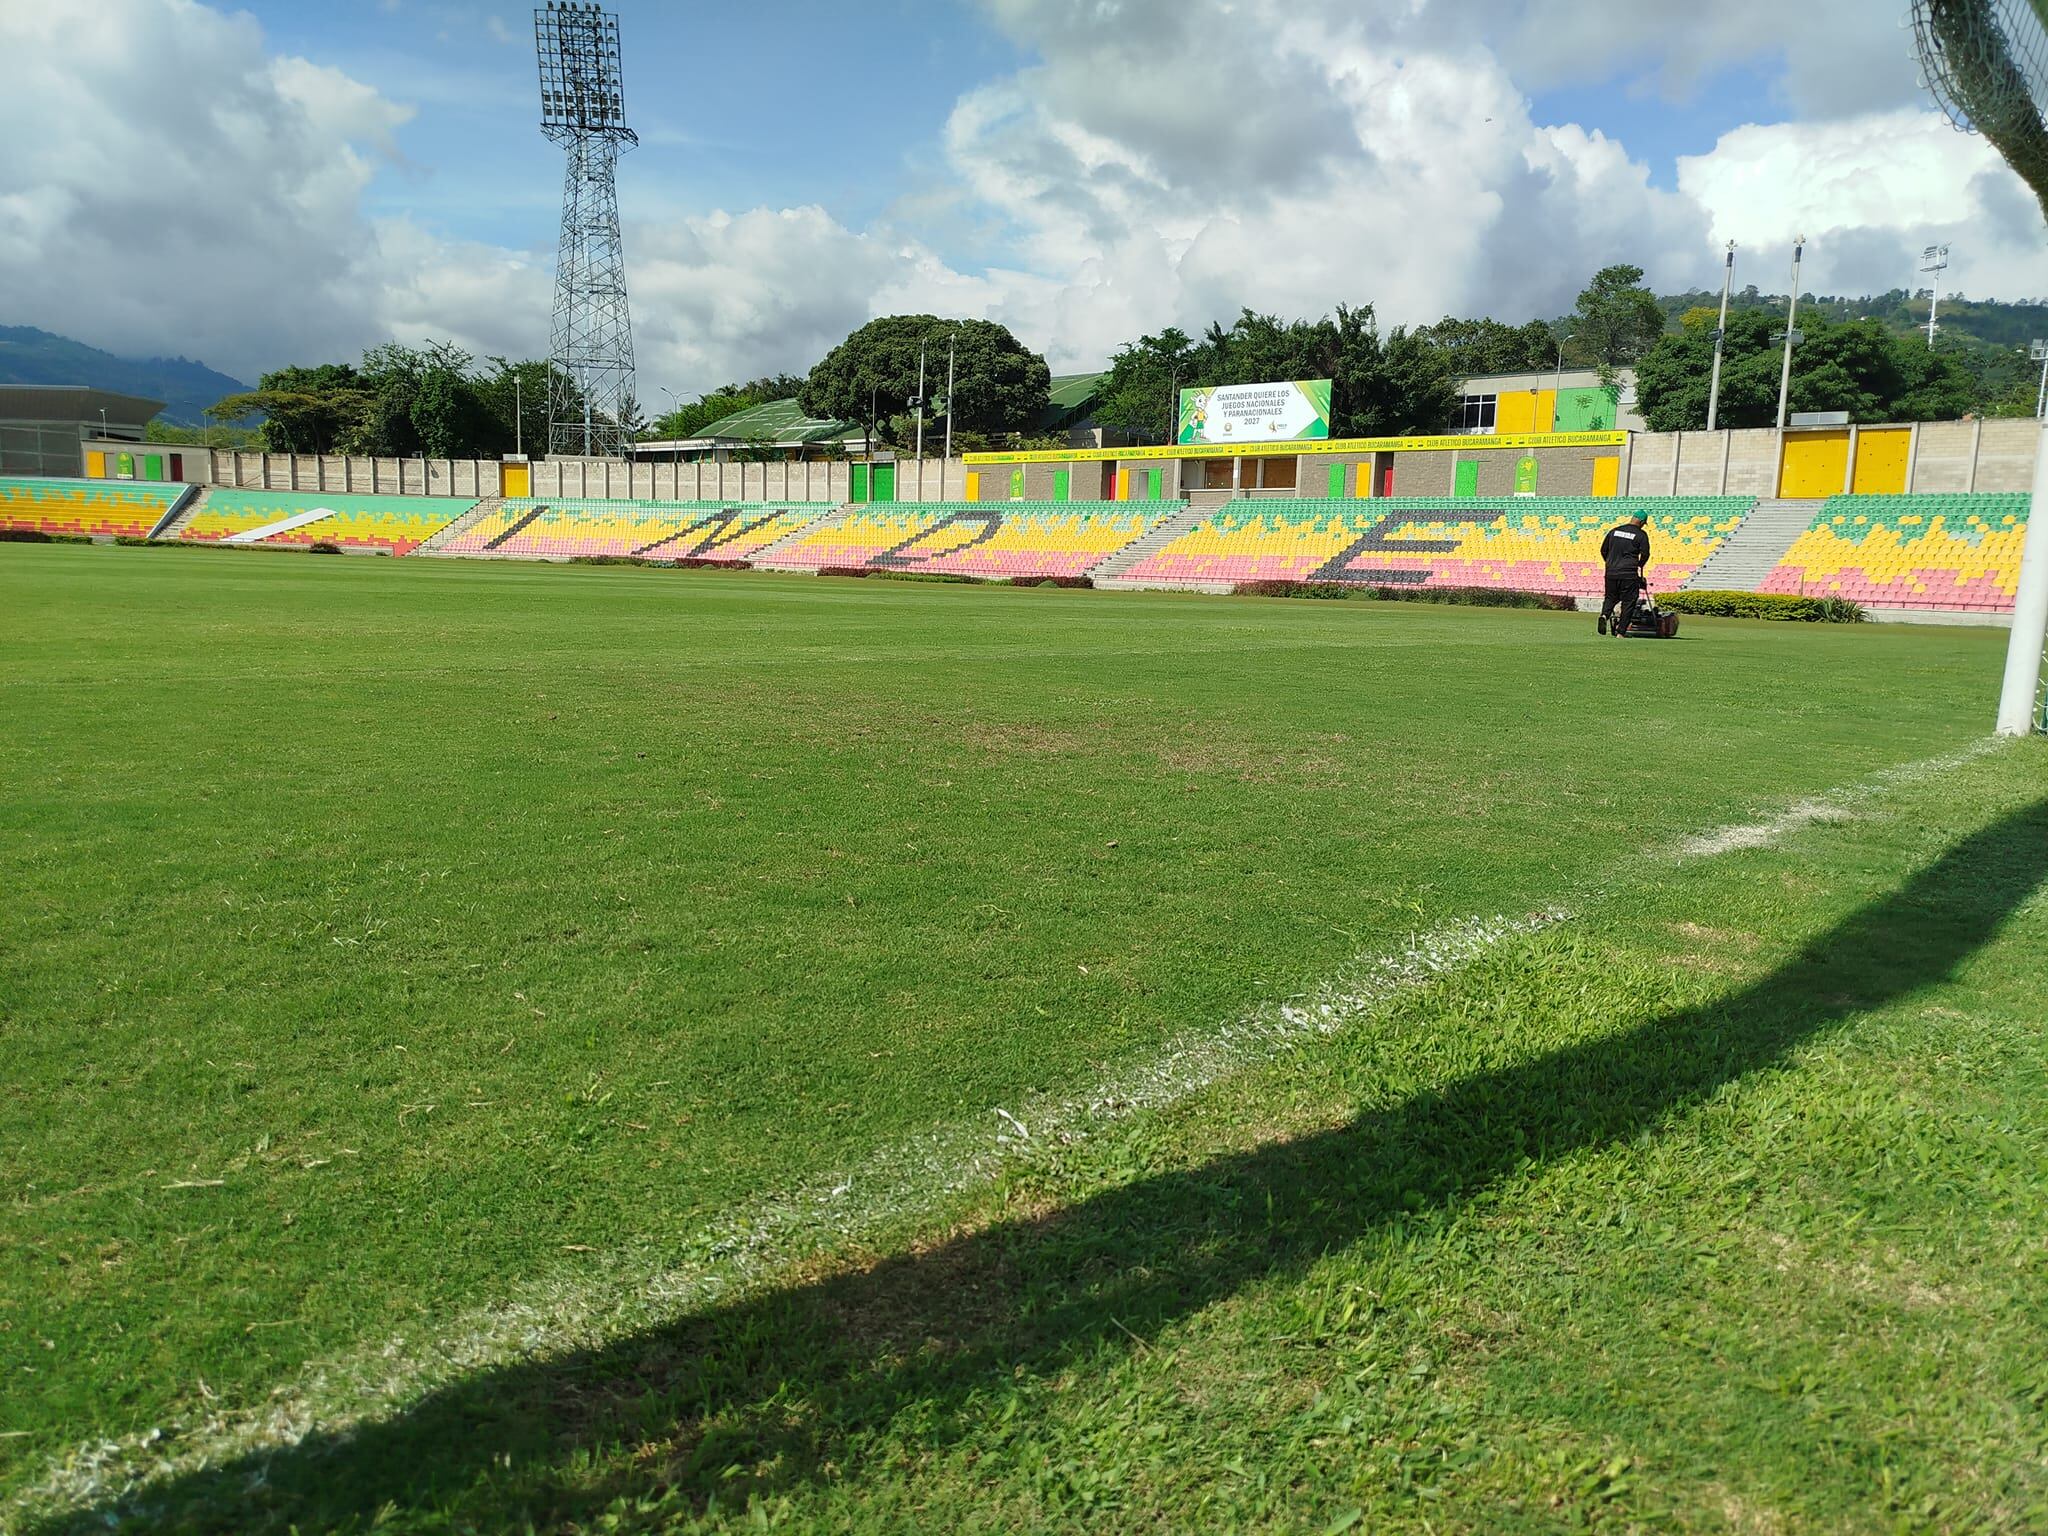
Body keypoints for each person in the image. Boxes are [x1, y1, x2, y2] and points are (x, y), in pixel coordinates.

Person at [1598, 512, 1651, 636]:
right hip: (1629, 573)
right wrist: (1640, 564)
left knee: (1610, 597)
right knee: (1629, 601)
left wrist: (1610, 562)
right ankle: (1621, 632)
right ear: (1641, 522)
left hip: (1611, 571)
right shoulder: (1641, 535)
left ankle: (1604, 615)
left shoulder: (1614, 531)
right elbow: (1645, 553)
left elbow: (1603, 550)